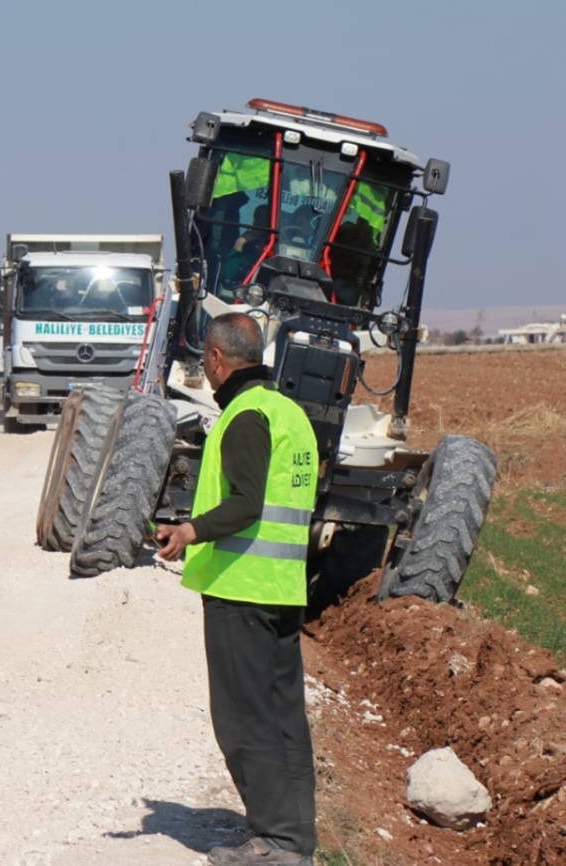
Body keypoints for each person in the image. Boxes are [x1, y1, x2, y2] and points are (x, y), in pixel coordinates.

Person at [155, 312, 320, 866]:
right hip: (281, 588)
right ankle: (296, 838)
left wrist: (188, 530)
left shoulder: (245, 417)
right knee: (281, 717)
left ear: (218, 360)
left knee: (244, 720)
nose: (205, 365)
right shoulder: (289, 413)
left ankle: (275, 841)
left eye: (206, 357)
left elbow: (248, 502)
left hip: (242, 589)